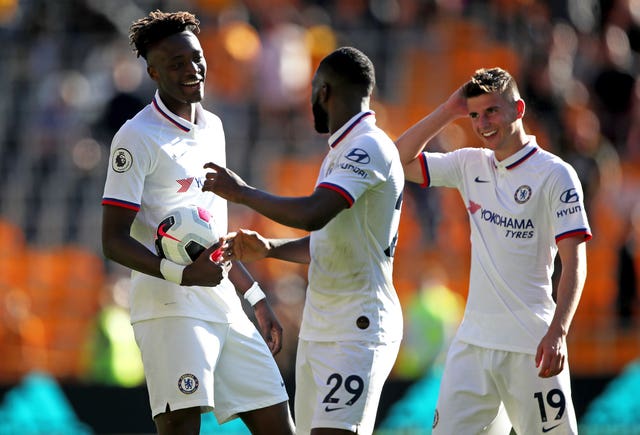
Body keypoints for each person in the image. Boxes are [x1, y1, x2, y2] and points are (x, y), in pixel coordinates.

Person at [100, 10, 294, 435]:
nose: (192, 70)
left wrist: (255, 296)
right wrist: (183, 274)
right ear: (152, 72)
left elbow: (213, 233)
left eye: (196, 57)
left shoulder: (214, 127)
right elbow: (112, 241)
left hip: (222, 301)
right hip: (170, 307)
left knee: (278, 422)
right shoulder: (135, 137)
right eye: (175, 63)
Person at [202, 46, 404, 435]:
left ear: (324, 91)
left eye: (313, 89)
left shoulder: (368, 146)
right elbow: (327, 239)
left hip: (357, 324)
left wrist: (242, 192)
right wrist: (270, 248)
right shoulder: (342, 150)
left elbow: (315, 212)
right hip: (322, 323)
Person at [395, 67, 592, 434]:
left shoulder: (556, 174)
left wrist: (558, 331)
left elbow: (575, 264)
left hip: (530, 344)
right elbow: (397, 160)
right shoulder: (470, 164)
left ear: (518, 109)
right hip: (472, 343)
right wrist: (448, 110)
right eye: (474, 115)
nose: (482, 123)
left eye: (492, 111)